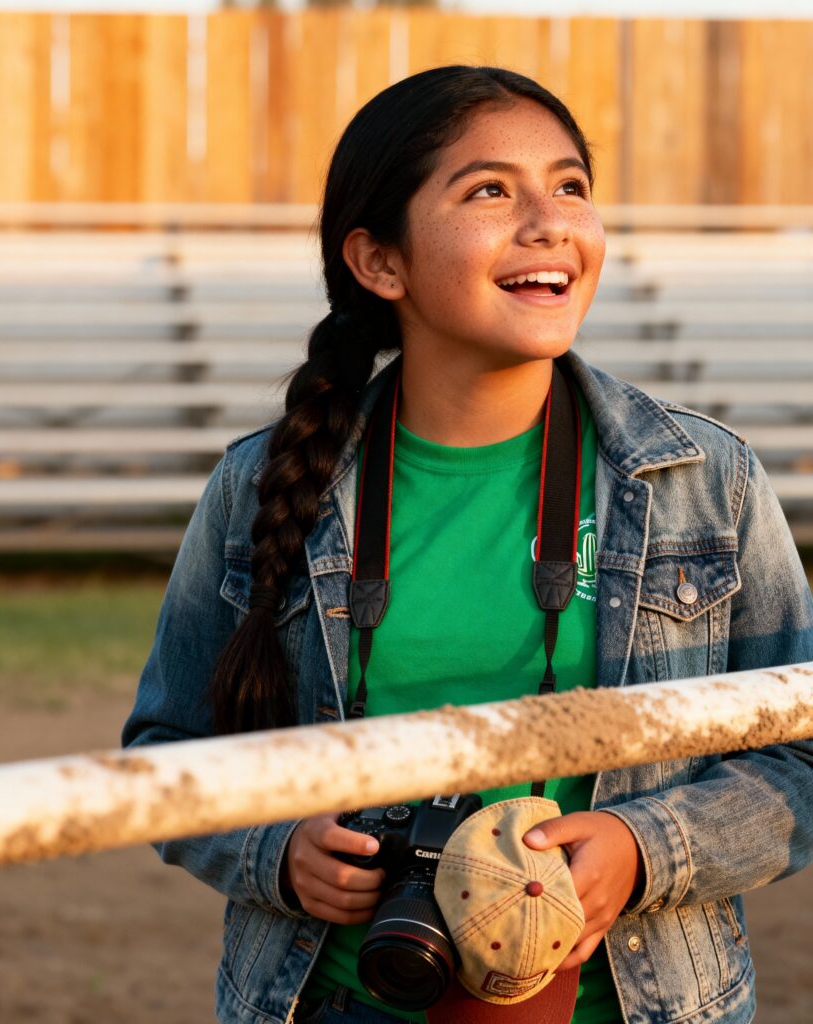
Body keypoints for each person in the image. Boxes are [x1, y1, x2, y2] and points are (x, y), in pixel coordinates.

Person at [122, 65, 813, 1024]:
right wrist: (274, 848)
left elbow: (802, 757)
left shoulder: (705, 478)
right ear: (380, 262)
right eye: (490, 190)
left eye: (570, 185)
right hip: (336, 1001)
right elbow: (166, 755)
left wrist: (643, 845)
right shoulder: (260, 486)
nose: (549, 222)